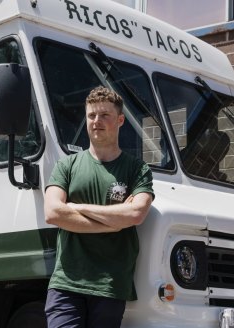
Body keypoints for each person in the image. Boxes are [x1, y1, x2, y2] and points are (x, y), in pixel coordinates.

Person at [43, 86, 154, 328]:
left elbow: (135, 213)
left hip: (109, 285)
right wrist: (114, 224)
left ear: (120, 120)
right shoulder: (67, 165)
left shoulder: (137, 169)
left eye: (105, 115)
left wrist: (76, 207)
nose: (96, 121)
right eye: (92, 115)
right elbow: (52, 212)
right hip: (66, 283)